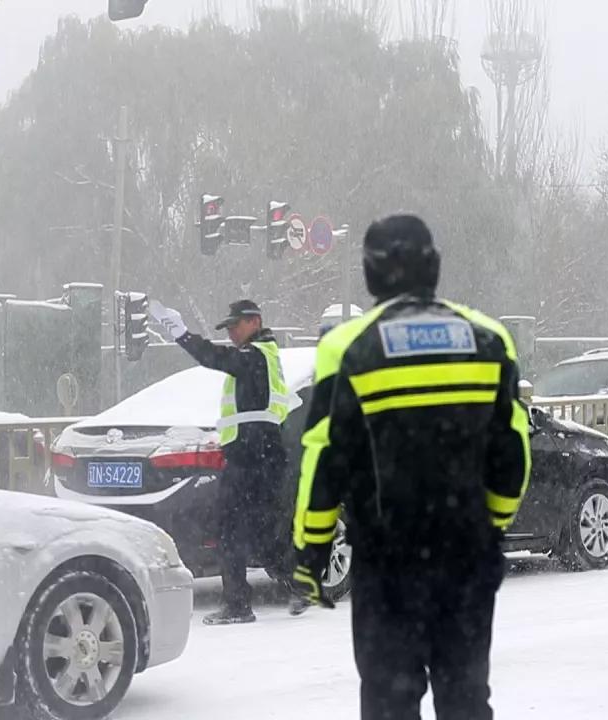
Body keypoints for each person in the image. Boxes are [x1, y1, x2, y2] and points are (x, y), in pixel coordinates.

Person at [289, 215, 531, 719]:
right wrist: (490, 527)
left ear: (371, 275)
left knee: (389, 701)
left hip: (388, 562)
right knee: (465, 697)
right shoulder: (490, 339)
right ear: (434, 266)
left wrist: (311, 551)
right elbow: (512, 455)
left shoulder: (348, 347)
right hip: (466, 558)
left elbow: (323, 459)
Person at [157, 299, 291, 625]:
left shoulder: (254, 356)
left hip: (251, 454)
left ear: (254, 322)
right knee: (259, 528)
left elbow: (215, 358)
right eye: (228, 327)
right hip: (260, 452)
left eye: (236, 325)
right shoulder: (264, 355)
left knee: (230, 529)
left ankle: (238, 606)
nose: (231, 332)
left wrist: (182, 335)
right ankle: (298, 582)